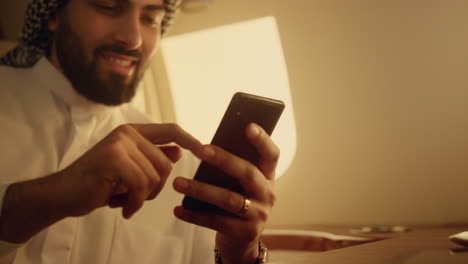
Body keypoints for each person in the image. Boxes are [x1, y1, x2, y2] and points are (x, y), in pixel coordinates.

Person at [0, 0, 279, 263]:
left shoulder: (184, 170)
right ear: (53, 14)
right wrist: (52, 195)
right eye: (108, 7)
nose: (133, 39)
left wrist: (240, 255)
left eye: (151, 18)